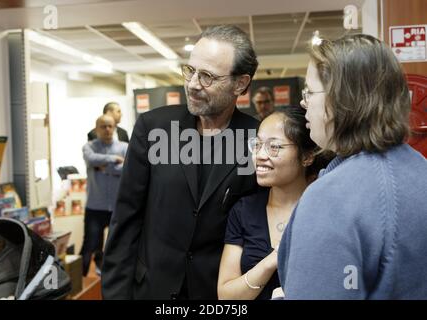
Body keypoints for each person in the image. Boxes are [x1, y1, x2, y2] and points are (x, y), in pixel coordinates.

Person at [102, 25, 260, 299]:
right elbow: (126, 221)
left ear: (241, 84)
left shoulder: (256, 140)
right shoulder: (153, 128)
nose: (193, 84)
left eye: (207, 76)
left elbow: (257, 229)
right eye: (190, 71)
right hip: (151, 290)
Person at [277, 34, 427, 299]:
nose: (303, 103)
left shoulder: (331, 198)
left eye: (310, 92)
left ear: (342, 100)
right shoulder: (419, 168)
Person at [218, 106, 330, 300]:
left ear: (307, 156)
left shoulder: (326, 211)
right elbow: (226, 296)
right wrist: (271, 262)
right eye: (257, 145)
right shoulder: (244, 211)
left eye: (274, 146)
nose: (260, 155)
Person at [81, 115, 128, 276]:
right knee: (90, 245)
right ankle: (81, 281)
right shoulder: (89, 147)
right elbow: (91, 159)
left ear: (115, 127)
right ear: (96, 129)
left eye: (110, 126)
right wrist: (113, 159)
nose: (107, 129)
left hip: (118, 207)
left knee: (119, 246)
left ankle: (116, 278)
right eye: (103, 126)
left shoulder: (125, 147)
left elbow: (128, 169)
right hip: (95, 207)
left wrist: (105, 168)